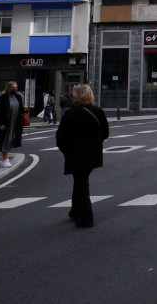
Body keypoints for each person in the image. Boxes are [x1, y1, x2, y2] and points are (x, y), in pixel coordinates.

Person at [56, 85, 109, 228]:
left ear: (75, 97)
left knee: (81, 182)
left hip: (75, 154)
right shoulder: (98, 112)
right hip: (93, 154)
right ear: (90, 95)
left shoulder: (70, 114)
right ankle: (75, 210)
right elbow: (105, 134)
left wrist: (67, 151)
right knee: (80, 180)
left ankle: (86, 218)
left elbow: (60, 138)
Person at [0, 81, 26, 168]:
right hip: (6, 123)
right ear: (8, 88)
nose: (15, 89)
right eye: (13, 87)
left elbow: (20, 110)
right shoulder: (2, 98)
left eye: (16, 87)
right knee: (7, 140)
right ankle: (5, 160)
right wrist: (0, 124)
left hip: (16, 123)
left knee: (14, 141)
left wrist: (24, 109)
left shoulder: (18, 97)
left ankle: (2, 150)